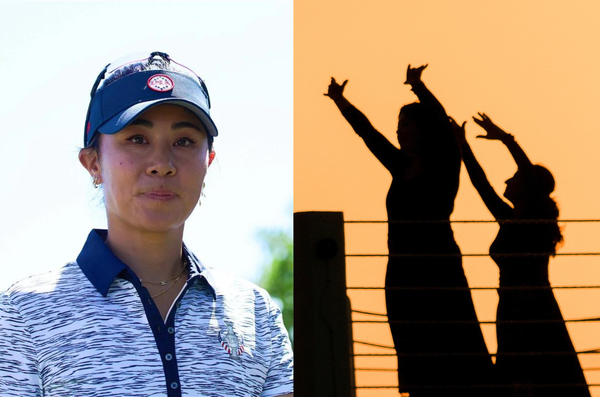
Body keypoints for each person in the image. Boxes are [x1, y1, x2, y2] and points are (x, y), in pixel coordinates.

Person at [0, 51, 294, 397]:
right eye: (137, 139)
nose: (162, 164)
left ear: (208, 161)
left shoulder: (255, 312)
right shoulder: (23, 313)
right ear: (93, 163)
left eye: (184, 141)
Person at [325, 65, 494, 396]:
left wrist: (419, 86)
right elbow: (368, 133)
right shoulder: (399, 166)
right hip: (401, 269)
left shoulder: (444, 164)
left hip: (439, 266)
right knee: (412, 342)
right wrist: (339, 101)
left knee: (451, 339)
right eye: (398, 126)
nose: (399, 131)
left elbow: (443, 123)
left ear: (423, 130)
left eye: (405, 125)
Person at [451, 113, 590, 396]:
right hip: (509, 308)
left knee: (533, 380)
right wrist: (462, 145)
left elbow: (525, 171)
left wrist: (505, 139)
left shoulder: (534, 223)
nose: (507, 181)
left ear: (527, 187)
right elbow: (482, 185)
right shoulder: (510, 219)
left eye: (514, 178)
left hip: (532, 310)